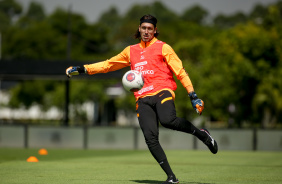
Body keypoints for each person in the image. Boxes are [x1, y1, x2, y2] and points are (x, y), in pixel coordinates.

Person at [66, 14, 218, 184]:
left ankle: (203, 135)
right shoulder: (130, 51)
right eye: (144, 28)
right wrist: (82, 69)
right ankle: (171, 177)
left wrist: (193, 95)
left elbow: (180, 72)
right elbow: (108, 65)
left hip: (162, 91)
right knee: (150, 137)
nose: (146, 32)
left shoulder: (163, 48)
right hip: (142, 97)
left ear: (155, 31)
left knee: (168, 120)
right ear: (139, 29)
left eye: (150, 29)